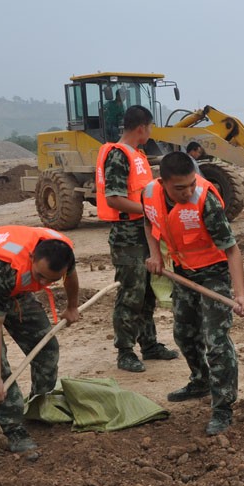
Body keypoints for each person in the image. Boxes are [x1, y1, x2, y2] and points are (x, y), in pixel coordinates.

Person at [143, 151, 244, 435]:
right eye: (180, 188)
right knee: (184, 334)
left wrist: (239, 294)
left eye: (192, 184)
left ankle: (223, 407)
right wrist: (155, 255)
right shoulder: (149, 193)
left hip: (213, 274)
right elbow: (149, 222)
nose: (188, 192)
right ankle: (200, 381)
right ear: (163, 182)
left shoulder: (206, 201)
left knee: (216, 341)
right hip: (183, 273)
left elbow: (232, 250)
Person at [0, 225, 80, 453]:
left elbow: (70, 276)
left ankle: (39, 404)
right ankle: (13, 427)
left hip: (17, 289)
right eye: (40, 276)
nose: (43, 284)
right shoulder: (2, 268)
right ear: (31, 257)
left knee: (46, 347)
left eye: (51, 280)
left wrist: (72, 306)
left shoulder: (63, 252)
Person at [96, 104, 178, 372]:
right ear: (142, 127)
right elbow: (114, 198)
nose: (151, 132)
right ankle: (125, 351)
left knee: (147, 293)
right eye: (150, 127)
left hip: (144, 232)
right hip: (127, 236)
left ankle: (149, 344)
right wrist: (149, 210)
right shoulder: (118, 156)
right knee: (131, 293)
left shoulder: (137, 155)